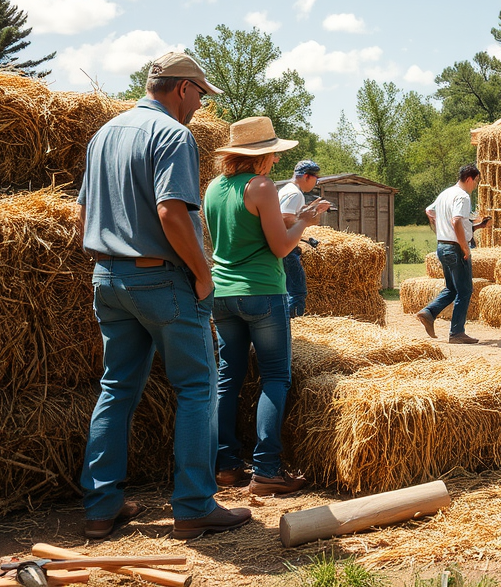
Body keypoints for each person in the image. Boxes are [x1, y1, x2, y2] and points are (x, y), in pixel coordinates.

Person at [76, 52, 251, 540]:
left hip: (108, 278)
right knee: (197, 387)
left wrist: (110, 257)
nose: (199, 105)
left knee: (116, 389)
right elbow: (173, 212)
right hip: (161, 280)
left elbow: (83, 213)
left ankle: (101, 507)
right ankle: (194, 506)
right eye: (199, 94)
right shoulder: (173, 135)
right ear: (181, 88)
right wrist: (202, 274)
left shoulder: (105, 134)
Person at [204, 117, 331, 496]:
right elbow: (280, 247)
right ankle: (267, 470)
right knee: (276, 377)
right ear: (259, 156)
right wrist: (305, 221)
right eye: (273, 154)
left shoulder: (214, 187)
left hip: (223, 294)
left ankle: (226, 466)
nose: (275, 160)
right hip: (262, 290)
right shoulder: (260, 187)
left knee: (229, 375)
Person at [416, 164, 490, 344]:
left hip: (442, 246)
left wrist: (442, 228)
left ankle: (429, 312)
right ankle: (457, 333)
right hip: (455, 248)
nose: (476, 186)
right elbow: (456, 220)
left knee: (452, 288)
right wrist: (464, 247)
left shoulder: (445, 194)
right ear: (470, 178)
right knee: (465, 290)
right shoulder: (463, 196)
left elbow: (429, 211)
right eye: (477, 182)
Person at [277, 159, 332, 318]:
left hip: (284, 246)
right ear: (307, 176)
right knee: (297, 292)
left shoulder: (286, 190)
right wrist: (310, 217)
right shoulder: (294, 193)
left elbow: (293, 216)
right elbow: (285, 219)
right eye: (317, 178)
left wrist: (314, 210)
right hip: (287, 248)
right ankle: (293, 328)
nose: (317, 182)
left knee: (289, 291)